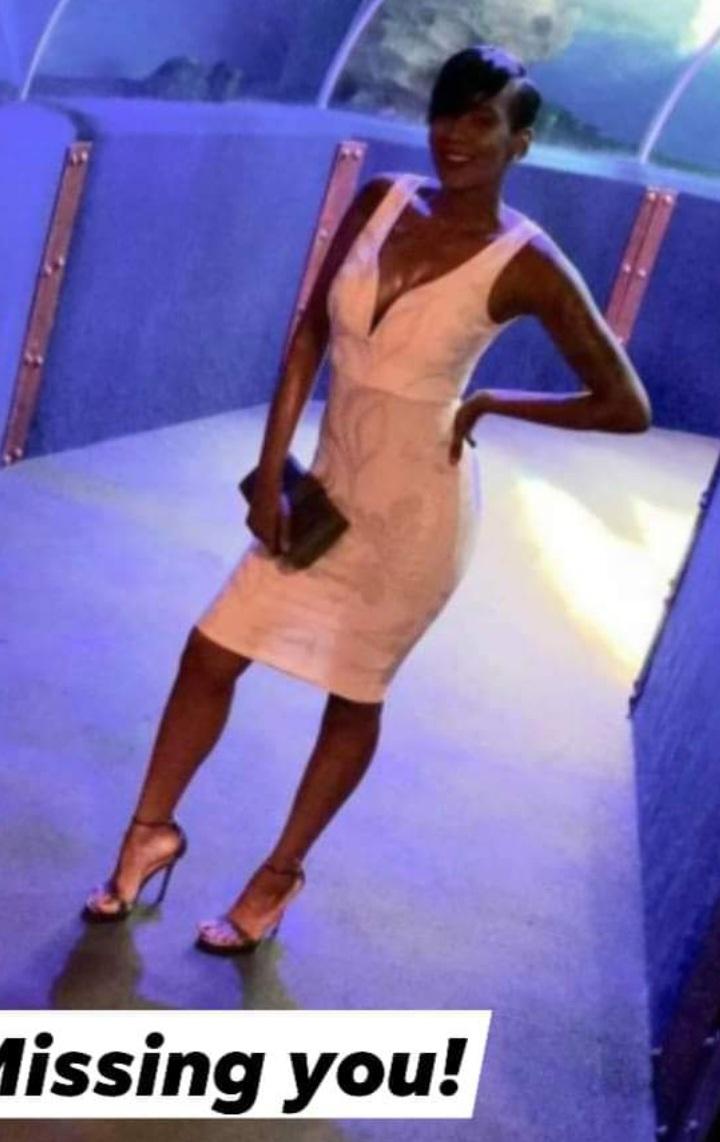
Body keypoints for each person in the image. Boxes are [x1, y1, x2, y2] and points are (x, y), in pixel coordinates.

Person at [83, 44, 651, 952]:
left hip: (416, 518)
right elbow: (309, 335)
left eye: (481, 121)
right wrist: (271, 466)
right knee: (210, 652)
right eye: (445, 112)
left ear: (520, 143)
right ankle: (150, 832)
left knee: (353, 695)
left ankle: (278, 874)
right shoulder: (381, 199)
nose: (454, 135)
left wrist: (494, 402)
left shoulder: (529, 262)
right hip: (324, 488)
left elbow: (625, 405)